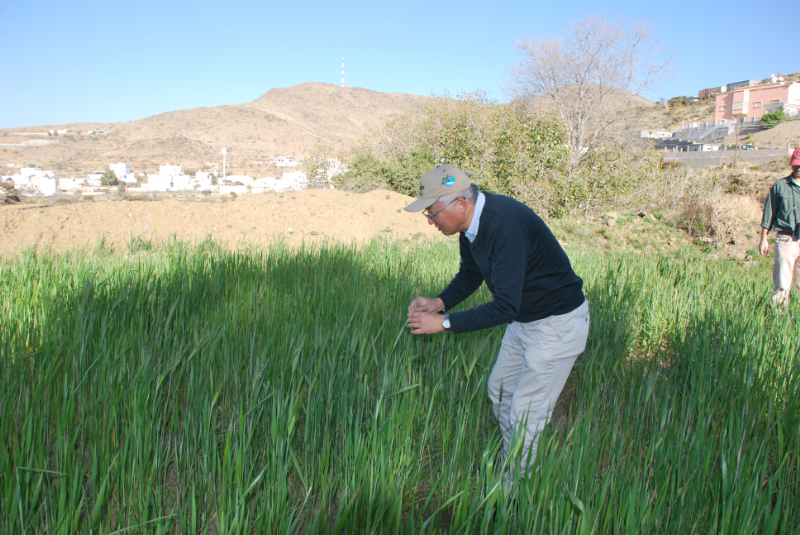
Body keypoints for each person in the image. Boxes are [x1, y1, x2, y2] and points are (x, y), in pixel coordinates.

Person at [404, 164, 590, 475]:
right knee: (500, 390)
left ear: (460, 204)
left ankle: (514, 489)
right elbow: (471, 273)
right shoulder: (470, 226)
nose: (430, 221)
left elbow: (504, 307)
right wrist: (439, 303)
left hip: (555, 325)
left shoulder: (504, 226)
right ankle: (511, 462)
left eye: (432, 213)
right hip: (524, 320)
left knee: (526, 413)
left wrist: (445, 322)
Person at [759, 147, 800, 305]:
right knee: (782, 284)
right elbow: (769, 213)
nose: (798, 167)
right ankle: (778, 316)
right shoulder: (780, 186)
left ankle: (795, 316)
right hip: (786, 239)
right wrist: (764, 239)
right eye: (796, 164)